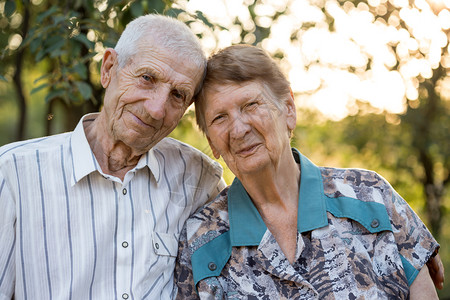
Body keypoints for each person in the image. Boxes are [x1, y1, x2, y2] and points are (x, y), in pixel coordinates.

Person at [174, 44, 444, 299]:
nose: (239, 129)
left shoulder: (371, 196)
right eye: (219, 118)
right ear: (211, 141)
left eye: (251, 105)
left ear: (288, 109)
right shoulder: (200, 241)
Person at [0, 14, 225, 299]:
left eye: (177, 95)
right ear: (108, 68)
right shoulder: (11, 173)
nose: (157, 109)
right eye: (147, 78)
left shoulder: (199, 179)